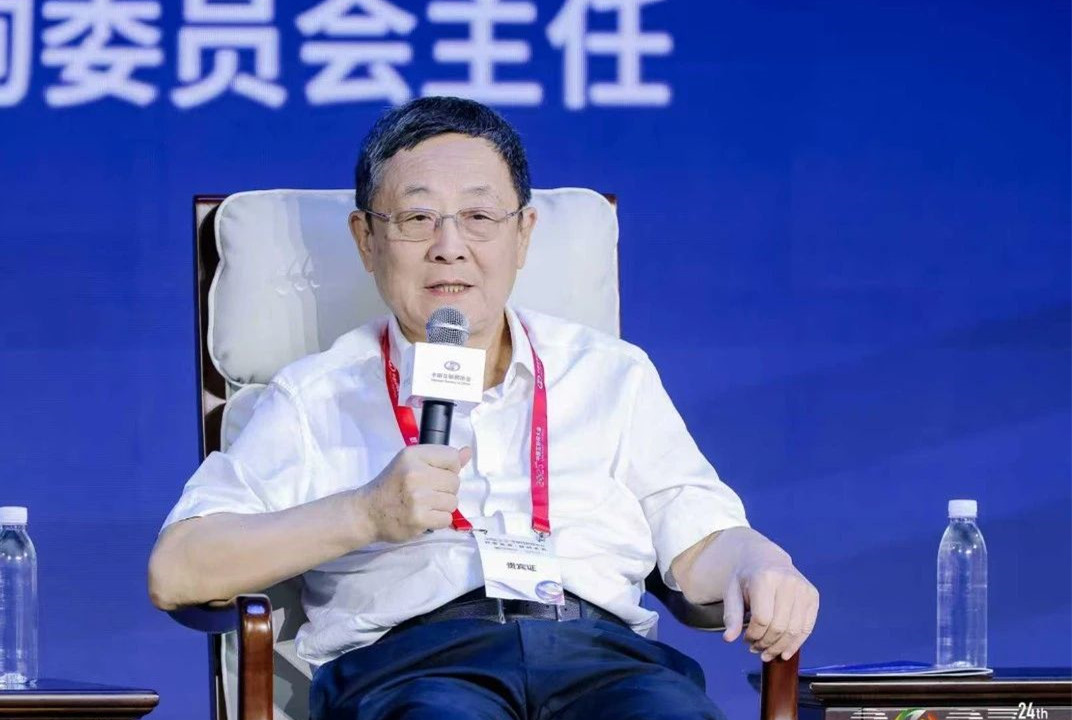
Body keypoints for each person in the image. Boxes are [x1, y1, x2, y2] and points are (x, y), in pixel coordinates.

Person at [148, 96, 819, 720]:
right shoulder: (316, 394)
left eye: (479, 217)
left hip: (607, 663)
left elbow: (699, 538)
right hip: (414, 668)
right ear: (366, 239)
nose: (450, 245)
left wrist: (760, 563)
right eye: (417, 218)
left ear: (523, 234)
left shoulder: (611, 373)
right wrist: (364, 513)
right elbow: (177, 569)